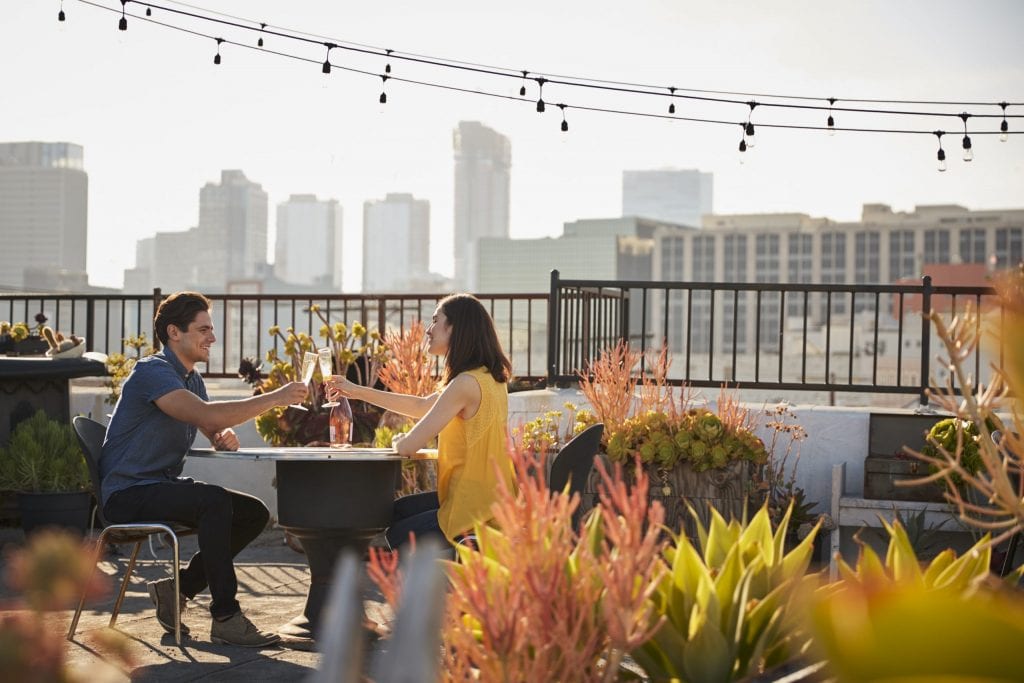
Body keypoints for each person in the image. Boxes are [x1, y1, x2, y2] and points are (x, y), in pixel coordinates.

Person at [100, 291, 308, 647]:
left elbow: (211, 423)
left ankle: (179, 589)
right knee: (212, 502)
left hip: (159, 487)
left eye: (211, 329)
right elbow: (207, 415)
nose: (212, 337)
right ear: (174, 332)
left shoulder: (191, 380)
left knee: (252, 513)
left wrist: (220, 435)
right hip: (127, 494)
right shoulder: (153, 373)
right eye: (203, 329)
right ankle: (226, 616)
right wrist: (276, 396)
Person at [326, 293, 513, 551]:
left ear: (455, 328)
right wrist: (355, 390)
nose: (428, 329)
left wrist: (400, 440)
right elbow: (422, 406)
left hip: (473, 509)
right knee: (396, 511)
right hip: (488, 499)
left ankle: (452, 562)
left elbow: (407, 447)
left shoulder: (465, 384)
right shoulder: (487, 378)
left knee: (398, 533)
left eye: (436, 320)